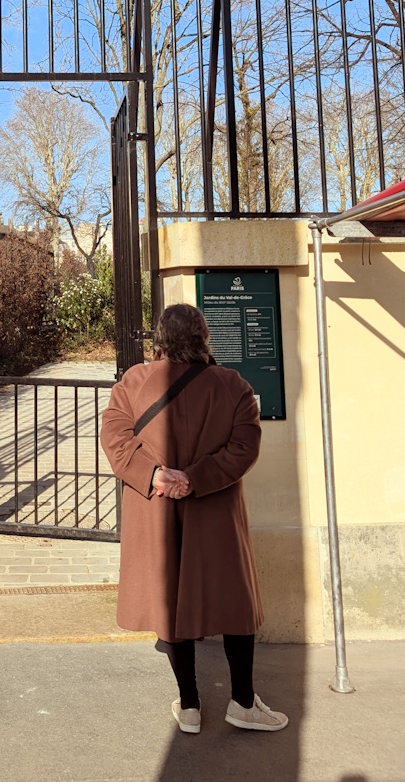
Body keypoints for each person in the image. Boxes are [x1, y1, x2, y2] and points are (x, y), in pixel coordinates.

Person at [100, 302, 288, 735]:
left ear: (159, 339)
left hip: (155, 512)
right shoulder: (233, 386)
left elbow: (113, 438)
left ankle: (189, 706)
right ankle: (243, 702)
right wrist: (196, 479)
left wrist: (155, 475)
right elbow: (245, 447)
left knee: (171, 604)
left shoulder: (132, 383)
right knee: (235, 604)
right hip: (216, 511)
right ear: (205, 337)